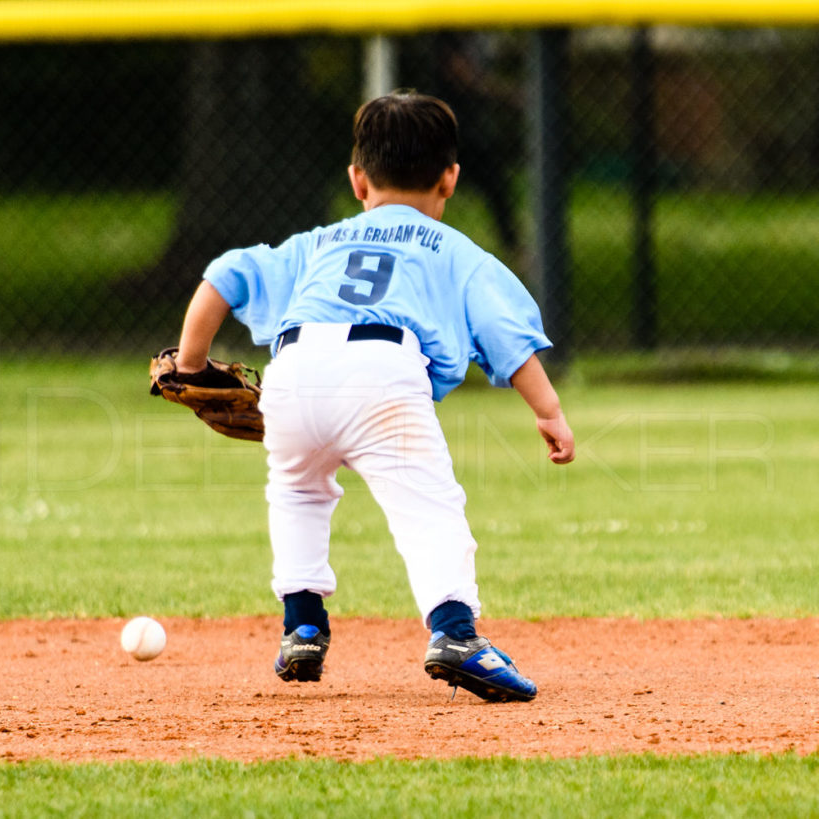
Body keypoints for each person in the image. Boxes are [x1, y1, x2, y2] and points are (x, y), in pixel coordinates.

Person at [171, 91, 574, 702]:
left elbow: (226, 274)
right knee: (429, 508)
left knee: (297, 491)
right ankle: (455, 634)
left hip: (294, 365)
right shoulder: (460, 254)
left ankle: (302, 622)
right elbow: (508, 337)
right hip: (383, 369)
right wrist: (549, 412)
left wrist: (191, 364)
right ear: (451, 179)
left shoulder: (318, 242)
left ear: (358, 181)